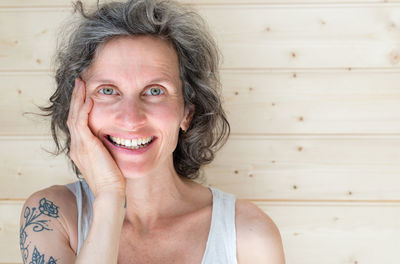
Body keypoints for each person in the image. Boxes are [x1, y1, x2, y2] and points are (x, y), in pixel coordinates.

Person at [19, 0, 285, 263]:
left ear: (187, 112)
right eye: (108, 90)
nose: (131, 118)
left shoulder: (249, 236)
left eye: (155, 91)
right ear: (75, 109)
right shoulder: (50, 215)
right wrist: (110, 196)